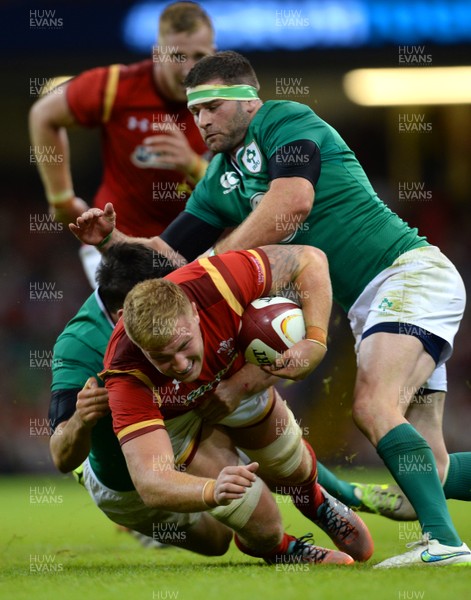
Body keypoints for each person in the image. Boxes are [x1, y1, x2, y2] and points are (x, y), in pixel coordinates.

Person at [77, 50, 470, 567]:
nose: (202, 121)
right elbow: (169, 260)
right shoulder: (218, 179)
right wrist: (115, 242)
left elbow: (292, 205)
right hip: (374, 304)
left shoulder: (285, 121)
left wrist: (217, 267)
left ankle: (443, 546)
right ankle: (441, 535)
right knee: (431, 466)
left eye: (213, 106)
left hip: (407, 274)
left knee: (374, 408)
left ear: (247, 100)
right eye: (195, 112)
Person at [101, 243, 378, 565]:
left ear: (193, 311)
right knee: (259, 517)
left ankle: (314, 501)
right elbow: (151, 481)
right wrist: (210, 491)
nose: (179, 365)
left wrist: (315, 340)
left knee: (292, 465)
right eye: (161, 357)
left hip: (231, 378)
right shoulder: (124, 373)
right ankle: (280, 549)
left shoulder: (217, 282)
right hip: (175, 420)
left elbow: (310, 259)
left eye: (184, 345)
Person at [50, 242, 232, 554]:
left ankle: (324, 505)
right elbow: (60, 456)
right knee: (219, 540)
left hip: (180, 431)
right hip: (126, 482)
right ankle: (137, 520)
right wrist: (81, 420)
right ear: (126, 311)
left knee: (249, 436)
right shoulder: (79, 345)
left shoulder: (175, 311)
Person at [29, 1, 214, 286]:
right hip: (116, 245)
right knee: (140, 324)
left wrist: (193, 165)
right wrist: (61, 199)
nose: (188, 69)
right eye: (177, 55)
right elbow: (43, 114)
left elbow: (240, 190)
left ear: (212, 55)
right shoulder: (117, 86)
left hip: (192, 248)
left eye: (199, 56)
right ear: (157, 53)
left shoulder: (225, 101)